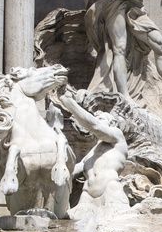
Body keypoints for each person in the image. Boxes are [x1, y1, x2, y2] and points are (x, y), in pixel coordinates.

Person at [51, 89, 130, 221]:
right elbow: (75, 170)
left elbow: (95, 126)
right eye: (96, 118)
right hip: (86, 197)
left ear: (112, 124)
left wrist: (68, 102)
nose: (95, 121)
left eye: (100, 119)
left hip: (109, 191)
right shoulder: (92, 152)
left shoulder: (118, 139)